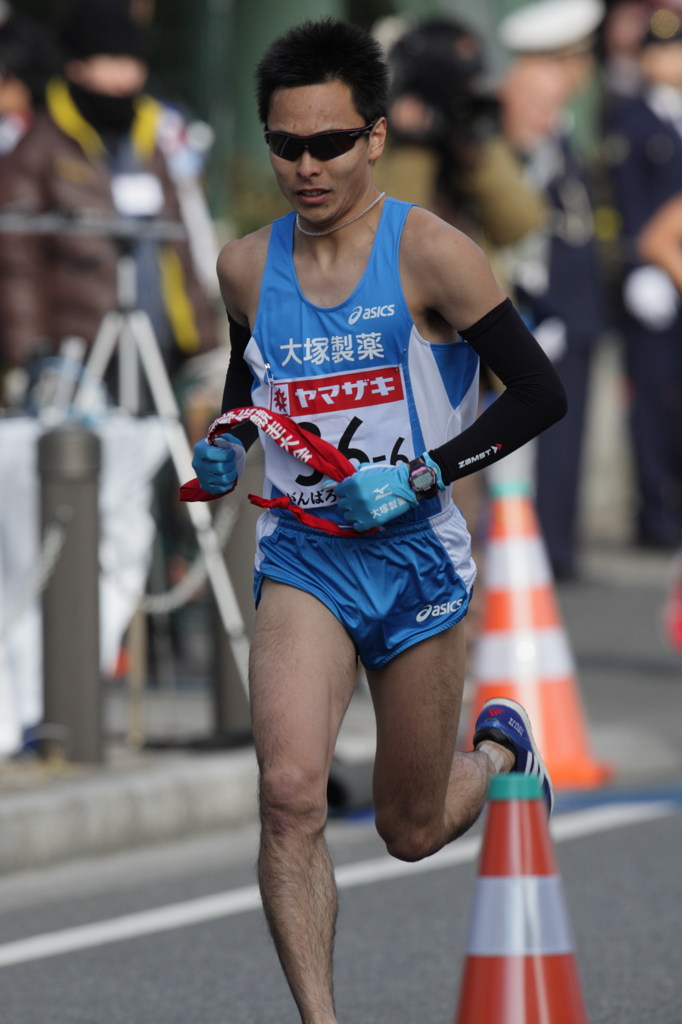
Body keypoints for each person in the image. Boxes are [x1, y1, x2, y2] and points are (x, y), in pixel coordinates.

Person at [191, 19, 566, 1024]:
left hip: (413, 562)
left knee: (407, 827)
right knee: (289, 792)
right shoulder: (241, 267)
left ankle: (494, 754)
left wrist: (422, 475)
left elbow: (538, 395)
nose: (304, 167)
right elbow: (249, 390)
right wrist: (223, 447)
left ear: (373, 136)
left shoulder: (434, 253)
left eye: (326, 143)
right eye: (283, 145)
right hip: (306, 556)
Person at [0, 0, 216, 376]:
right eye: (110, 61)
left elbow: (179, 243)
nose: (124, 77)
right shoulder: (39, 147)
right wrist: (31, 353)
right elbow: (18, 261)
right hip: (76, 356)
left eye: (133, 62)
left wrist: (202, 336)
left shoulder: (153, 136)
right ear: (77, 66)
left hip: (159, 346)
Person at [497, 0, 608, 577]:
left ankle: (557, 546)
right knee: (543, 438)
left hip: (577, 304)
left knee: (570, 440)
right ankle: (540, 549)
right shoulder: (524, 133)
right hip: (549, 306)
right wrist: (539, 306)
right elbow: (523, 231)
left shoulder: (560, 129)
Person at [606, 7, 682, 546]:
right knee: (651, 401)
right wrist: (639, 265)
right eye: (658, 52)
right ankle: (654, 513)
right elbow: (627, 206)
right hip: (652, 278)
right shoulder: (629, 119)